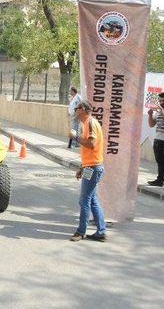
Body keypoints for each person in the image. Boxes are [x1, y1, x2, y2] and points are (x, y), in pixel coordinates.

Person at [69, 100, 107, 242]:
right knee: (92, 200)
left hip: (93, 167)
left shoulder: (90, 123)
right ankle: (101, 231)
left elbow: (91, 144)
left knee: (84, 200)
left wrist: (75, 137)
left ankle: (81, 232)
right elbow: (88, 151)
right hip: (90, 166)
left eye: (77, 108)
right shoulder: (86, 123)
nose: (75, 110)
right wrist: (82, 167)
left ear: (84, 109)